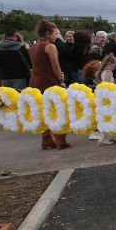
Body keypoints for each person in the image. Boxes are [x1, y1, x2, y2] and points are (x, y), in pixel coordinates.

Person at [29, 21, 70, 150]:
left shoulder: (34, 46)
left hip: (36, 80)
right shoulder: (50, 46)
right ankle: (60, 139)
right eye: (55, 33)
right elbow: (56, 67)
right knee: (57, 109)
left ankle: (46, 139)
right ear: (47, 33)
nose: (56, 36)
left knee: (43, 110)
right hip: (49, 80)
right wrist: (61, 80)